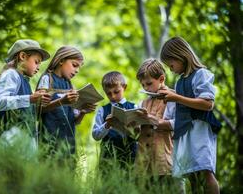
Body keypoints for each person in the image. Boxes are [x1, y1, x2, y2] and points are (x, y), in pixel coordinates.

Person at [159, 36, 221, 194]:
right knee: (191, 174)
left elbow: (207, 103)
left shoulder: (201, 74)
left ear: (180, 56)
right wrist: (170, 93)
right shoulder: (180, 81)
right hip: (185, 131)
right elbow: (186, 96)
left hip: (199, 130)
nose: (170, 69)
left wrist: (176, 97)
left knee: (206, 172)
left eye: (170, 64)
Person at [36, 46, 95, 159]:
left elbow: (75, 121)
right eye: (74, 65)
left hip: (69, 145)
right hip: (49, 142)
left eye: (79, 67)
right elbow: (37, 110)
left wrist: (83, 112)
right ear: (61, 60)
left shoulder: (71, 86)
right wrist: (61, 101)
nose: (77, 70)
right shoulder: (47, 79)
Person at [135, 58, 183, 192]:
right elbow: (138, 131)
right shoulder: (143, 103)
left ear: (161, 79)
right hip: (144, 164)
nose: (146, 88)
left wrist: (152, 119)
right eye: (143, 85)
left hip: (167, 162)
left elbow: (179, 124)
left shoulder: (174, 97)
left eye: (149, 84)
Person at [0, 39, 51, 145]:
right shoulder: (11, 74)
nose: (38, 68)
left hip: (21, 142)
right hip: (7, 139)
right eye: (36, 62)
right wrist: (30, 98)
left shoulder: (25, 81)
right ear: (22, 56)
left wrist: (35, 103)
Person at [92, 71, 137, 171]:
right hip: (108, 158)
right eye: (109, 93)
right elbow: (95, 135)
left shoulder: (134, 107)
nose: (112, 96)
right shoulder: (102, 110)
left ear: (124, 87)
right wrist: (107, 125)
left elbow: (139, 135)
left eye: (116, 92)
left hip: (131, 157)